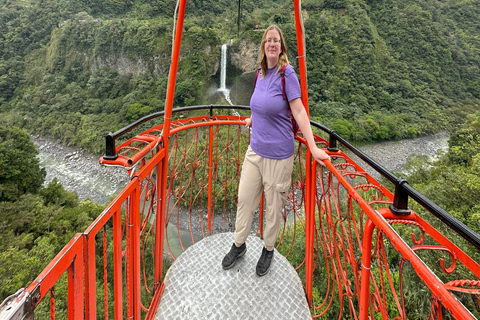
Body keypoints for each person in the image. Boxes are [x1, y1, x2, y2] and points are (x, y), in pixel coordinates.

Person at [222, 25, 330, 276]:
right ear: (263, 46)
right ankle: (239, 245)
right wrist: (253, 119)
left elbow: (299, 111)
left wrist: (312, 147)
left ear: (281, 47)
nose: (272, 44)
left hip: (279, 156)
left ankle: (268, 249)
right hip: (255, 150)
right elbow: (262, 104)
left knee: (272, 208)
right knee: (245, 200)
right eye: (268, 40)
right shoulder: (261, 73)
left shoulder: (287, 74)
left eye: (276, 41)